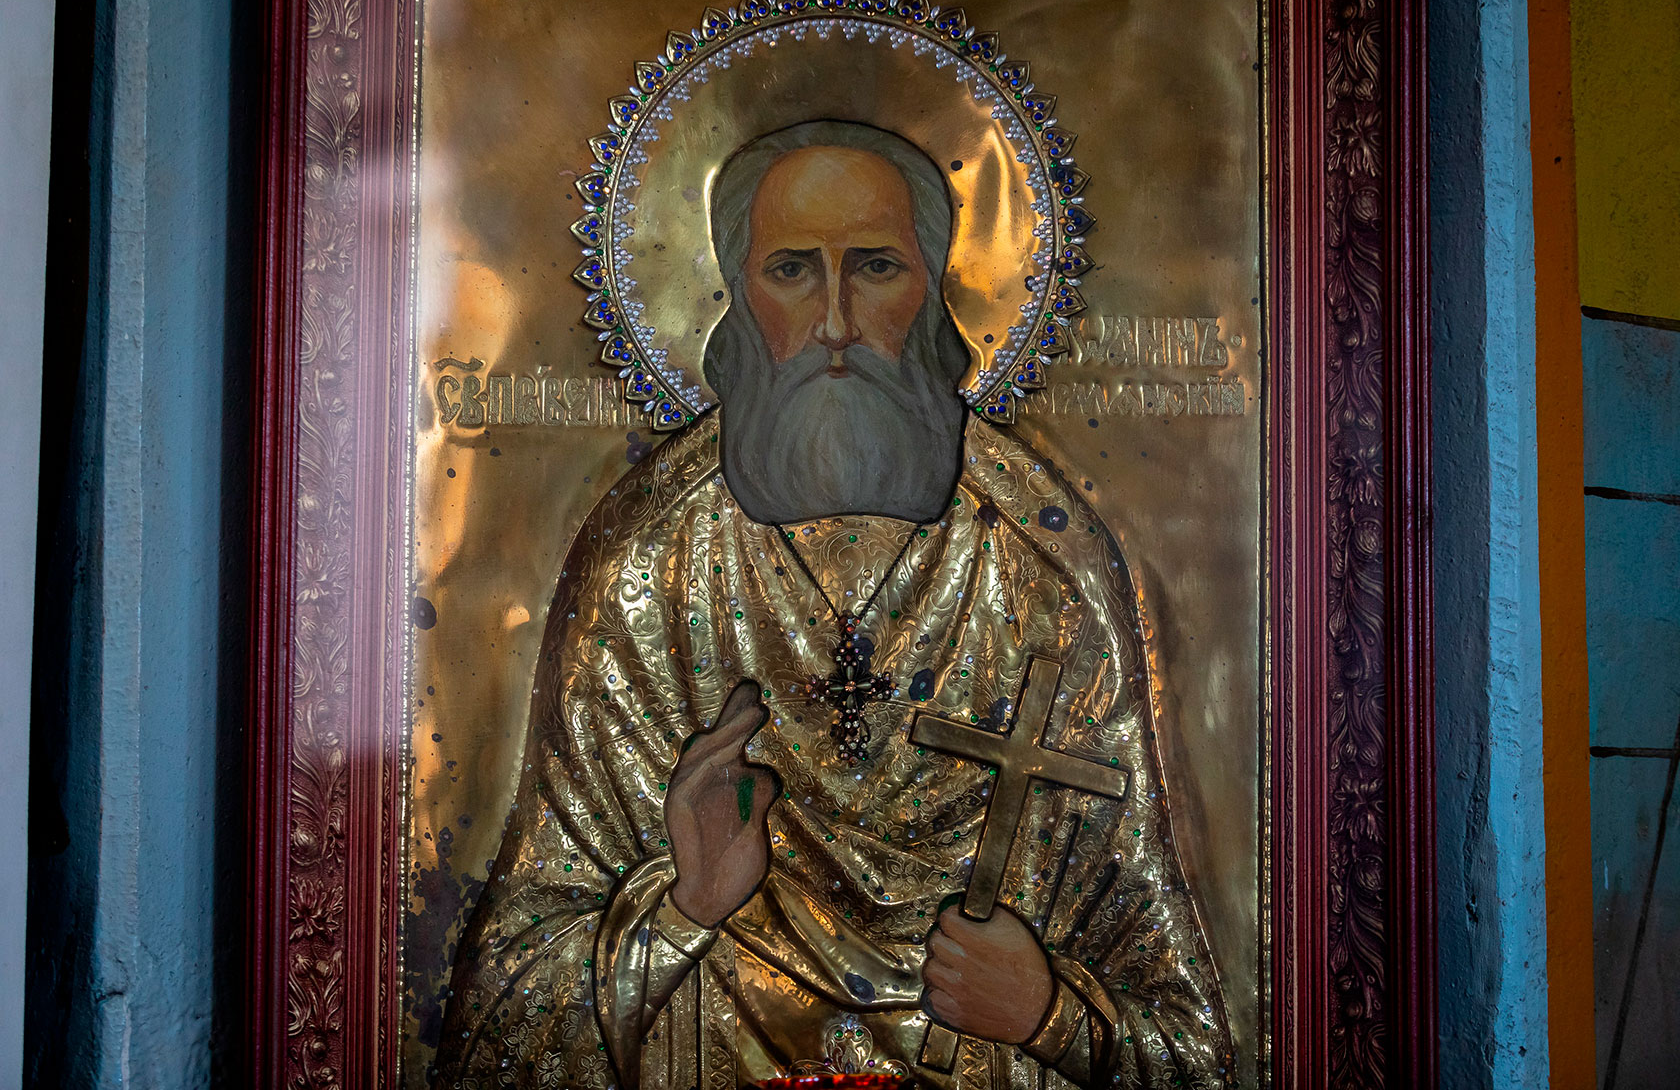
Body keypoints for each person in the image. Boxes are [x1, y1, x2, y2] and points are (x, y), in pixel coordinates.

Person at [435, 121, 1233, 1089]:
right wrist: (681, 913)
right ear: (738, 298)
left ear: (933, 292)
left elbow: (1190, 1045)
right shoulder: (650, 560)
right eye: (793, 272)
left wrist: (1049, 1015)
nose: (837, 323)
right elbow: (501, 1025)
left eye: (876, 268)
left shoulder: (1043, 572)